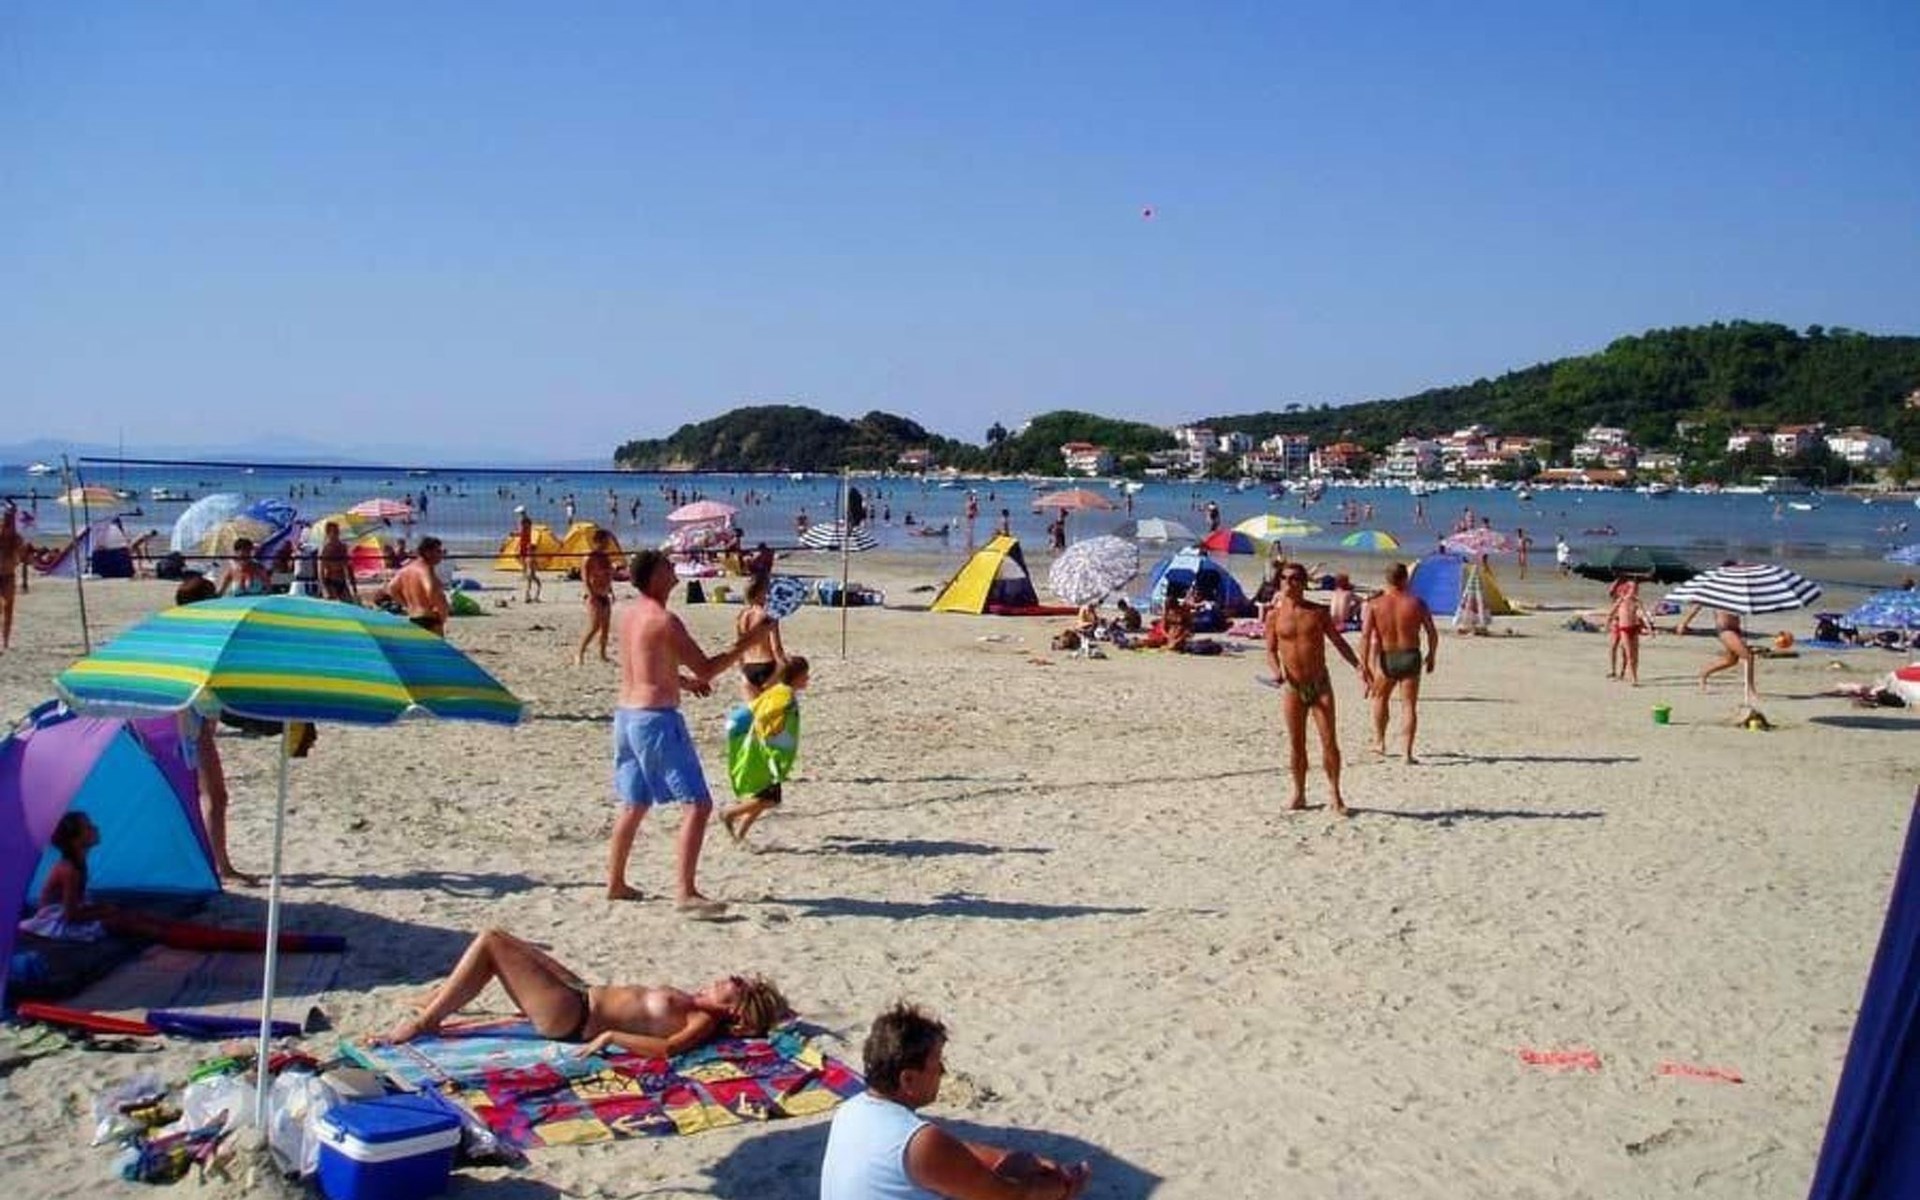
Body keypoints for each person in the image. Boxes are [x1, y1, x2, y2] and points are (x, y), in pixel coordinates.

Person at [607, 549, 769, 911]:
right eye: (667, 566)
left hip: (626, 716)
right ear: (654, 577)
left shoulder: (630, 615)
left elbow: (644, 663)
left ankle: (615, 883)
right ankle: (685, 892)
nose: (673, 569)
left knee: (634, 804)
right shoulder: (664, 620)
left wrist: (681, 682)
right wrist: (748, 642)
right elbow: (707, 668)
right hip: (655, 721)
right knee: (697, 804)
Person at [820, 1003, 1091, 1200]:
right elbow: (1009, 1196)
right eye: (937, 1062)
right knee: (1020, 1174)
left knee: (1017, 1163)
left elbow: (952, 1153)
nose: (943, 1072)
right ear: (908, 1079)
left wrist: (1007, 1159)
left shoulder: (851, 1110)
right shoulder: (920, 1142)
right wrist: (1063, 1187)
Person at [379, 927, 787, 1054]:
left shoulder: (701, 1020)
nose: (726, 979)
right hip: (580, 993)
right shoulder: (695, 1002)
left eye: (735, 986)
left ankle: (428, 1020)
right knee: (509, 943)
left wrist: (612, 1037)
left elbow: (667, 1050)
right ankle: (439, 1000)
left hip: (574, 1016)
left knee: (491, 942)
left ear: (735, 1012)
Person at [1265, 563, 1367, 815]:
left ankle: (1335, 794)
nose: (1289, 582)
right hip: (1293, 687)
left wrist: (1358, 666)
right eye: (1284, 578)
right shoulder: (1274, 616)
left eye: (1294, 578)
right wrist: (1276, 671)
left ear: (1304, 583)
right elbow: (1270, 650)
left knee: (1329, 741)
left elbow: (1338, 641)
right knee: (1296, 744)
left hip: (1320, 684)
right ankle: (1299, 794)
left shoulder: (1318, 612)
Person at [18, 812, 174, 943]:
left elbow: (77, 905)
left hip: (67, 913)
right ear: (75, 841)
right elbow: (70, 916)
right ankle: (172, 936)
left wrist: (103, 909)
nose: (95, 828)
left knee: (130, 915)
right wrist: (103, 912)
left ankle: (172, 928)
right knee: (121, 922)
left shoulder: (78, 862)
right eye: (88, 827)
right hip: (55, 922)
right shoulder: (69, 870)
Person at [720, 655, 809, 847]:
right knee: (769, 800)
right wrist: (771, 738)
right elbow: (765, 715)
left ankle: (740, 836)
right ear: (796, 676)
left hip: (769, 751)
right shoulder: (784, 694)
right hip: (768, 753)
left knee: (763, 797)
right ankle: (730, 813)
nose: (808, 679)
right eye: (805, 675)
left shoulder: (780, 691)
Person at [1362, 561, 1440, 764]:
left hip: (1387, 657)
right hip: (1410, 656)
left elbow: (1366, 637)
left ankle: (1380, 742)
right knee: (1408, 706)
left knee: (1380, 699)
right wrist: (1432, 655)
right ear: (1406, 579)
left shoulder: (1375, 604)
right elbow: (1432, 632)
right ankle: (1406, 753)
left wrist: (1364, 664)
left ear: (1386, 579)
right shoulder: (1417, 603)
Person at [735, 571, 790, 699]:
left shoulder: (742, 615)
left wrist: (742, 671)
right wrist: (784, 666)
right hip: (767, 666)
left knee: (754, 709)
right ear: (762, 592)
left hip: (748, 667)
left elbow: (738, 647)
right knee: (771, 710)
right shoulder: (769, 615)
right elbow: (776, 647)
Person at [382, 536, 451, 634]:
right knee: (434, 644)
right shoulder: (425, 569)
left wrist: (406, 604)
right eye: (438, 551)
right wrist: (442, 613)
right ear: (428, 553)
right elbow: (431, 590)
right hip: (429, 618)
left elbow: (391, 588)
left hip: (413, 616)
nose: (441, 555)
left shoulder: (406, 569)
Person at [575, 528, 616, 666]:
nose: (608, 544)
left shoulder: (605, 557)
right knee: (594, 627)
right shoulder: (589, 557)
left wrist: (611, 591)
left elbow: (608, 576)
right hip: (593, 595)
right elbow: (585, 579)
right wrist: (592, 596)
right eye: (606, 541)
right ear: (598, 541)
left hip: (605, 594)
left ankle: (602, 654)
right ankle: (579, 653)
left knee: (605, 627)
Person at [1700, 609, 1757, 705]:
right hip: (1725, 630)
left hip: (1736, 630)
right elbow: (1698, 606)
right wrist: (1684, 623)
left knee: (1730, 661)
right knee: (1748, 657)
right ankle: (1750, 689)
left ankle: (1704, 673)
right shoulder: (1719, 601)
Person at [1607, 581, 1654, 684]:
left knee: (1635, 655)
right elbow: (1611, 613)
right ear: (1628, 589)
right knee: (1628, 654)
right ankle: (1630, 677)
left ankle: (1633, 676)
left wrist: (1650, 629)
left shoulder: (1637, 601)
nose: (1636, 590)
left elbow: (1644, 615)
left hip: (1634, 628)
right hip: (1624, 629)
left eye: (1637, 589)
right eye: (1634, 588)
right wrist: (1607, 624)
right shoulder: (1621, 600)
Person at [0, 505, 23, 650]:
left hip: (8, 575)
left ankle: (5, 642)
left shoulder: (16, 539)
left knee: (8, 608)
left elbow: (20, 556)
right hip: (5, 574)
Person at [319, 522, 359, 604]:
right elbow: (321, 571)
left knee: (349, 605)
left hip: (342, 581)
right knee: (333, 606)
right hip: (330, 582)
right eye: (334, 532)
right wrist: (324, 589)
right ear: (328, 533)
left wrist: (354, 587)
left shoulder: (342, 547)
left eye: (337, 531)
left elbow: (349, 567)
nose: (336, 534)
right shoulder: (325, 549)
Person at [516, 508, 543, 603]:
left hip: (524, 542)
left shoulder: (523, 521)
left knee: (530, 581)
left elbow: (522, 532)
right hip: (526, 541)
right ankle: (529, 596)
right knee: (532, 582)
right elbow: (524, 531)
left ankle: (528, 595)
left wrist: (516, 534)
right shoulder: (528, 521)